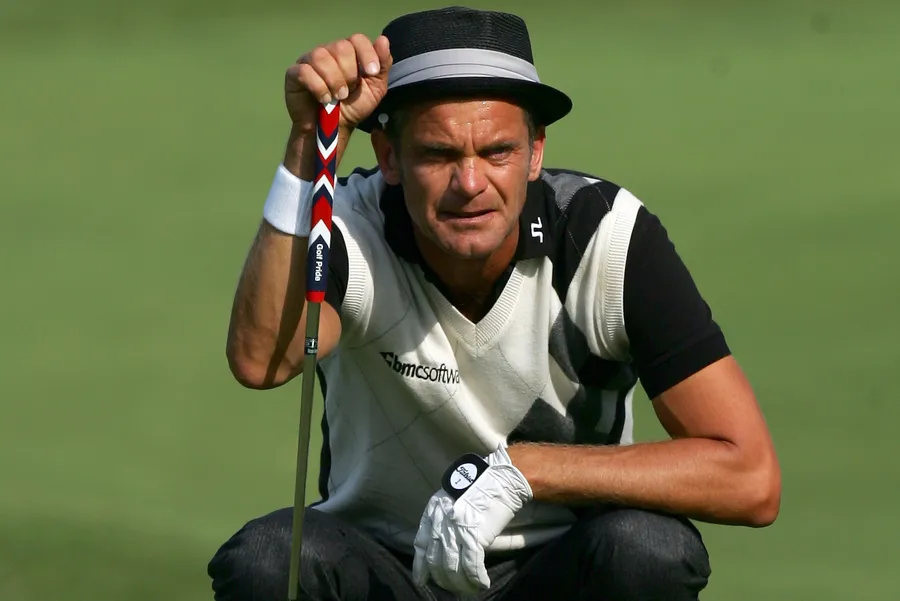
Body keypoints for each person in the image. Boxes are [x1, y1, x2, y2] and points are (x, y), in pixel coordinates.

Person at [209, 6, 781, 601]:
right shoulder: (349, 226)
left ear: (535, 152)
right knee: (271, 556)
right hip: (382, 569)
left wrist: (527, 470)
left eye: (497, 151)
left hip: (558, 570)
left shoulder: (606, 237)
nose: (470, 183)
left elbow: (751, 478)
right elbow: (261, 361)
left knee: (648, 549)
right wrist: (308, 143)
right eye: (438, 155)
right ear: (389, 157)